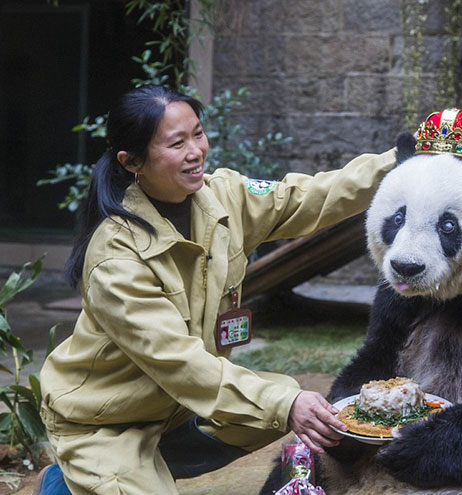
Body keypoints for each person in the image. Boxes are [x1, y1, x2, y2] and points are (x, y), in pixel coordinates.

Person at [35, 85, 396, 495]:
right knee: (281, 402)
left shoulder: (223, 196)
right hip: (106, 422)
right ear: (132, 161)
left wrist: (400, 163)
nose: (195, 151)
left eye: (198, 134)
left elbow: (308, 197)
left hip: (175, 407)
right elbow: (179, 362)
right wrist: (284, 404)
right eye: (176, 143)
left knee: (280, 400)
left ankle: (122, 473)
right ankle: (72, 480)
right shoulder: (116, 258)